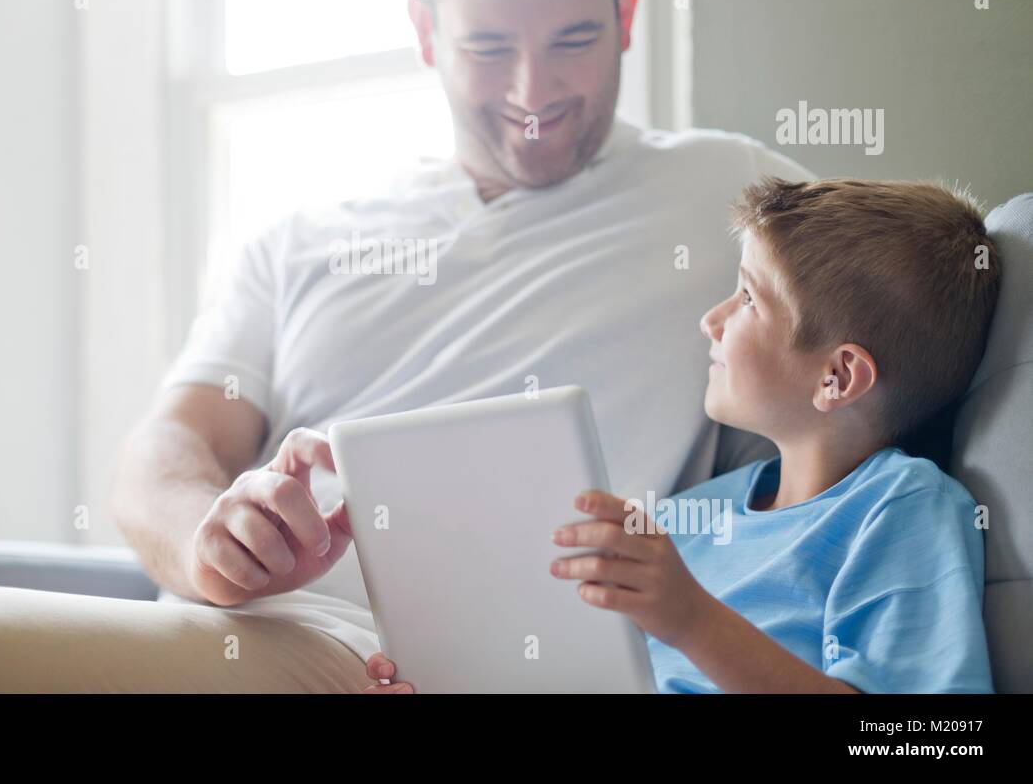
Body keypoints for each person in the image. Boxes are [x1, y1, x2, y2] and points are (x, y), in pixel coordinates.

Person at [0, 0, 809, 693]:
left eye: (574, 40)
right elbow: (164, 451)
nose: (532, 90)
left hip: (390, 663)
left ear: (625, 14)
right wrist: (213, 536)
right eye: (489, 49)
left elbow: (915, 293)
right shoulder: (302, 235)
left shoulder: (727, 193)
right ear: (426, 33)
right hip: (221, 633)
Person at [366, 178, 1000, 693]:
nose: (711, 319)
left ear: (837, 376)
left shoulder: (902, 510)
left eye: (749, 298)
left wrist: (693, 621)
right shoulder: (692, 516)